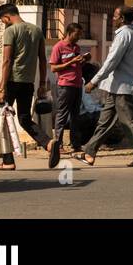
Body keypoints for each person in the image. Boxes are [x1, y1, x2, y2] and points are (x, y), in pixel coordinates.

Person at [78, 7, 133, 167]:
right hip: (115, 87)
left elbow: (111, 62)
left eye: (116, 16)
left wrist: (94, 81)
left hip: (122, 89)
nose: (113, 19)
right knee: (104, 122)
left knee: (130, 123)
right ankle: (90, 153)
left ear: (123, 19)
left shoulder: (124, 36)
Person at [0, 4, 51, 171]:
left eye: (3, 21)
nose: (4, 24)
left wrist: (2, 88)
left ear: (7, 17)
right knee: (24, 118)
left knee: (1, 117)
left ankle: (8, 160)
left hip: (12, 81)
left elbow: (7, 61)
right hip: (28, 83)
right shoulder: (37, 30)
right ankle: (48, 143)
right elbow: (42, 60)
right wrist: (41, 84)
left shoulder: (11, 31)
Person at [47, 22, 87, 169]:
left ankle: (76, 145)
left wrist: (82, 61)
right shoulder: (59, 47)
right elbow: (53, 67)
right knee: (62, 115)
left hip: (77, 85)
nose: (79, 37)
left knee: (76, 116)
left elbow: (77, 64)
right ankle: (58, 144)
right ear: (69, 33)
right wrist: (71, 62)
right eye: (77, 34)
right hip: (64, 85)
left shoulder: (76, 47)